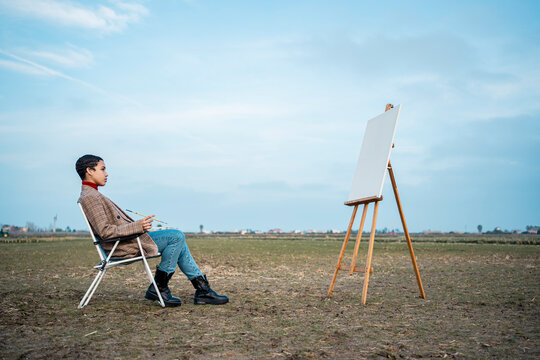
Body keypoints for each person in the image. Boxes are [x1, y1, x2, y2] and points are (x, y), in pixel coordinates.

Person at [75, 154, 228, 307]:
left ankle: (202, 291)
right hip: (120, 246)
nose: (106, 174)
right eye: (103, 169)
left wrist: (139, 226)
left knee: (178, 239)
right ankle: (162, 287)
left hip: (126, 241)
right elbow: (105, 231)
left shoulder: (93, 194)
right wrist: (137, 226)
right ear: (89, 170)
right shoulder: (90, 197)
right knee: (176, 236)